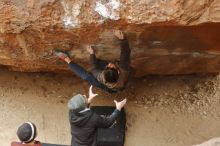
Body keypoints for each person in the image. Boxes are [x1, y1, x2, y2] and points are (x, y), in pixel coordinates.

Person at [54, 30, 131, 93]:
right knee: (122, 63)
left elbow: (94, 68)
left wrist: (92, 54)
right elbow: (125, 53)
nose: (110, 64)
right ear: (118, 71)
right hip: (118, 85)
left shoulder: (100, 76)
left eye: (109, 66)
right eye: (110, 66)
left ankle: (66, 59)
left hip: (110, 87)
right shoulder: (124, 69)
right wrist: (122, 39)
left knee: (86, 76)